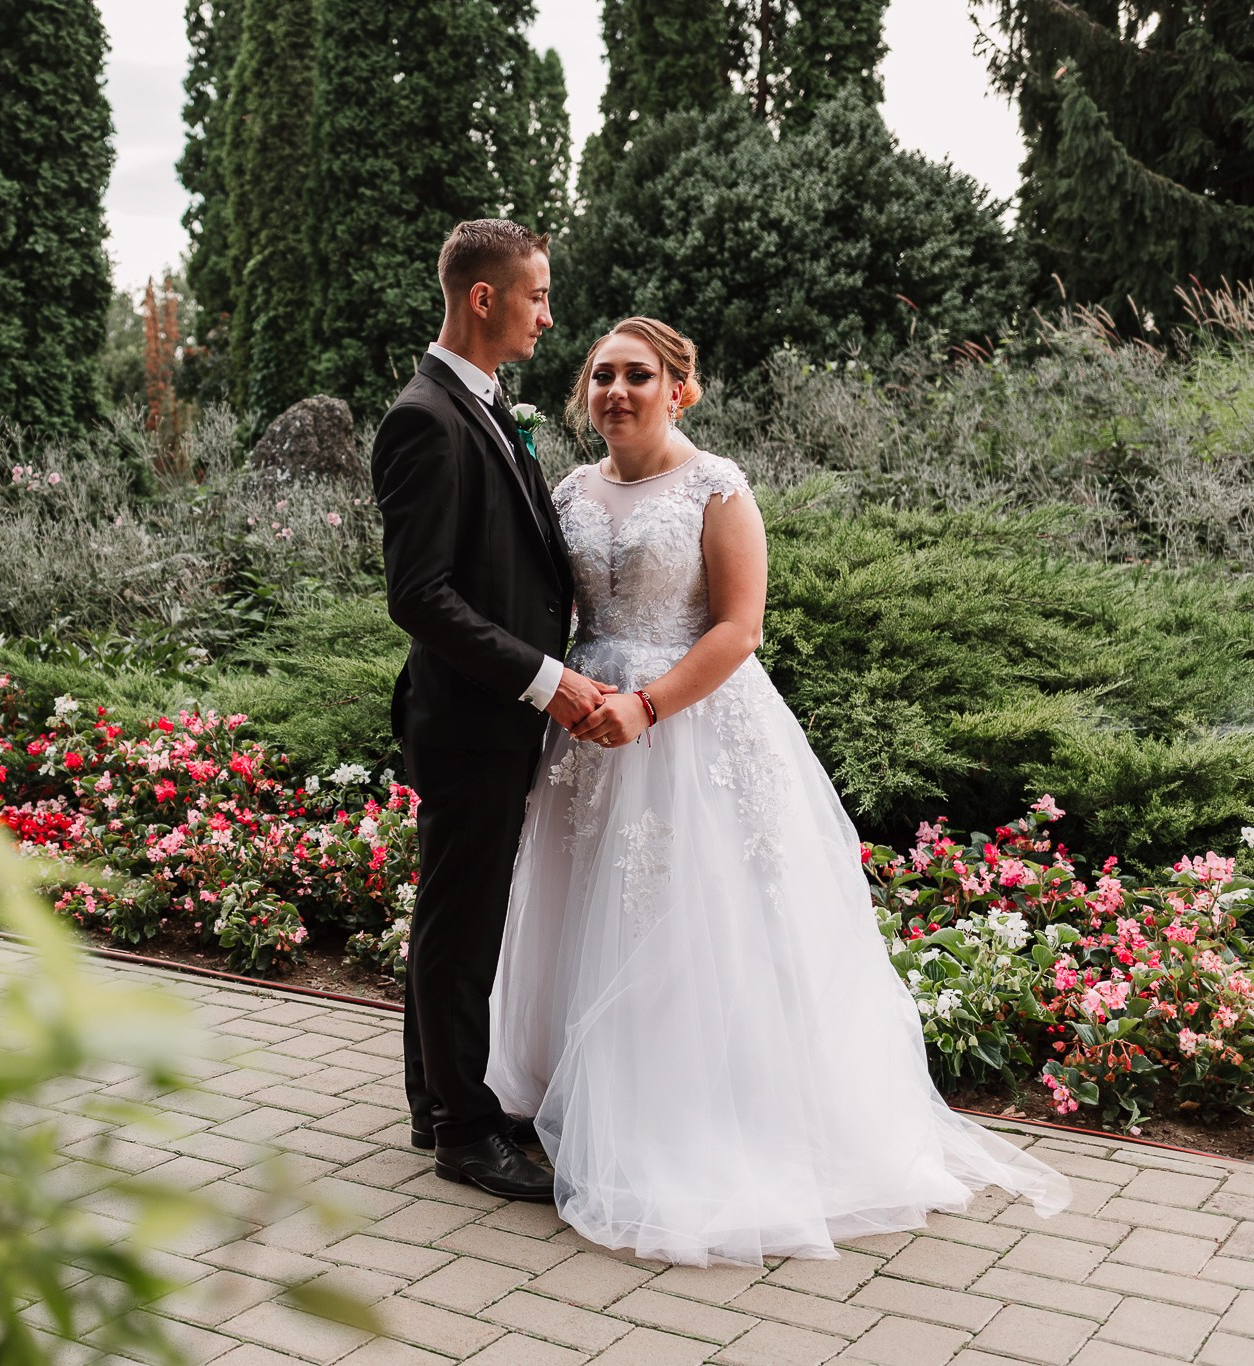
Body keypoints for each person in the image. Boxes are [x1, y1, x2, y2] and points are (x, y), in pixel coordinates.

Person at [484, 317, 1071, 1262]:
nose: (617, 392)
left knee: (686, 919)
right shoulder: (569, 490)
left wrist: (647, 706)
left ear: (680, 390)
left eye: (639, 376)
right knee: (580, 910)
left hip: (689, 729)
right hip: (586, 729)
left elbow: (739, 628)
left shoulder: (717, 487)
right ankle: (577, 1096)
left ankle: (685, 1118)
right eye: (602, 376)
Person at [370, 220, 616, 1201]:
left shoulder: (481, 403)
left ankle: (436, 1100)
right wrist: (546, 679)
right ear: (484, 297)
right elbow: (419, 596)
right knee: (459, 924)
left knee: (459, 913)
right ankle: (464, 1135)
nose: (547, 315)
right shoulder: (424, 418)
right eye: (537, 295)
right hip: (469, 718)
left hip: (492, 718)